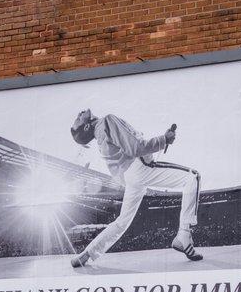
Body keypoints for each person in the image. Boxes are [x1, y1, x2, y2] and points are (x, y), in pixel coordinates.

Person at [69, 110, 203, 267]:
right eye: (78, 119)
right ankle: (184, 235)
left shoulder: (100, 136)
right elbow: (135, 148)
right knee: (192, 177)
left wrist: (161, 142)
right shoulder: (106, 121)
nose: (79, 114)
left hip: (130, 178)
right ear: (85, 127)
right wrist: (163, 139)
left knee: (121, 223)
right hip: (138, 168)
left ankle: (86, 254)